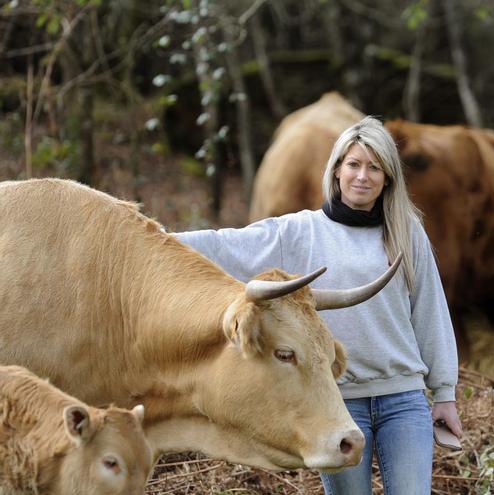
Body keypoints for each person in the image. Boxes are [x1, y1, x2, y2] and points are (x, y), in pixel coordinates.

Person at [173, 116, 463, 494]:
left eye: (374, 167)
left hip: (403, 401)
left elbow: (431, 313)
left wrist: (444, 394)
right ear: (337, 169)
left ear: (388, 177)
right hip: (337, 403)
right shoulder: (300, 231)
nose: (363, 176)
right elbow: (225, 244)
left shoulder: (406, 232)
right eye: (354, 164)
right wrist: (153, 238)